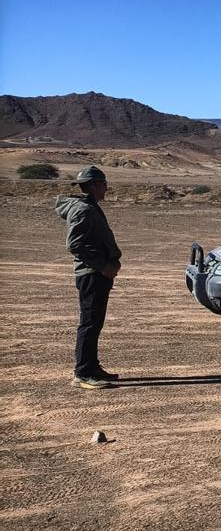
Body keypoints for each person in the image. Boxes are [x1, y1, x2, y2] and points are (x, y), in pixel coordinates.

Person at [55, 166, 122, 388]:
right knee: (90, 323)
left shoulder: (89, 207)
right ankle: (83, 373)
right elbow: (74, 244)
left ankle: (92, 367)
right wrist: (103, 266)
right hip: (92, 274)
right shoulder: (84, 209)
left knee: (95, 323)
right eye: (104, 184)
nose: (106, 188)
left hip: (96, 273)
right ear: (94, 185)